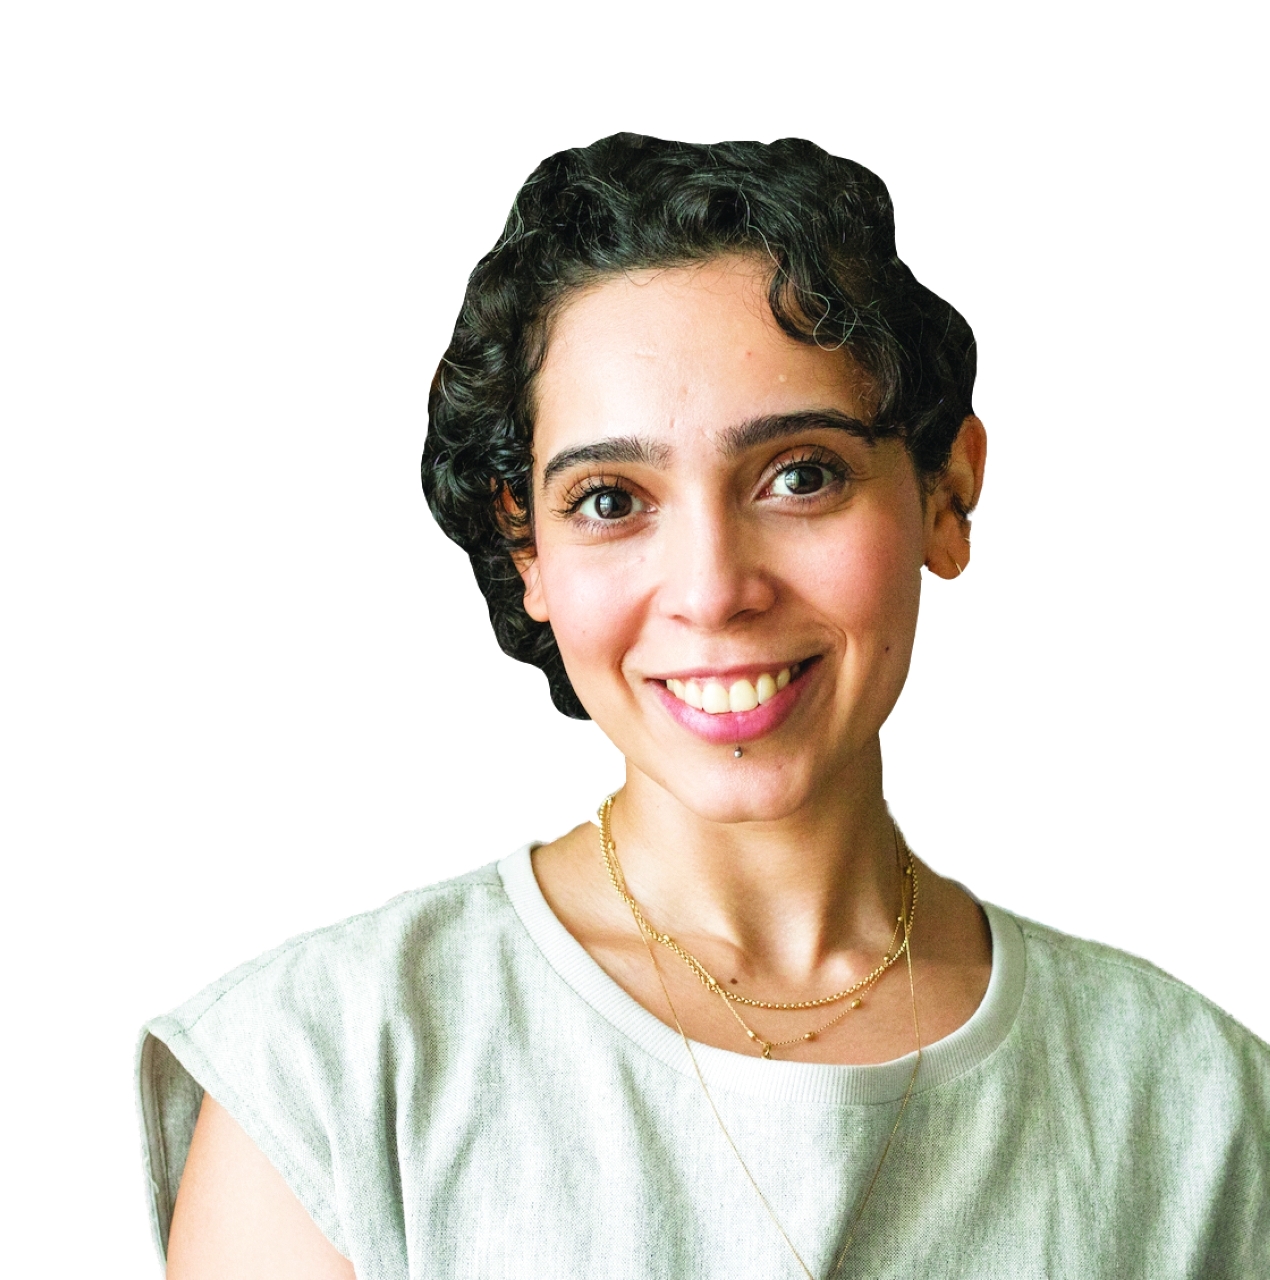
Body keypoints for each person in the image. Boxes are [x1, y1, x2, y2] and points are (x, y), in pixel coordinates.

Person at [138, 134, 1269, 1279]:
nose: (714, 588)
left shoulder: (1197, 1106)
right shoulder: (328, 1078)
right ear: (526, 550)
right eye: (610, 498)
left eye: (800, 474)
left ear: (946, 490)